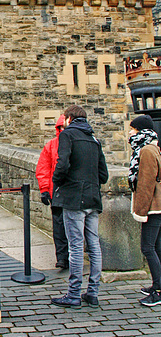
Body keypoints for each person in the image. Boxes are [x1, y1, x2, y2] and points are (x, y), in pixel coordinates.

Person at [51, 105, 109, 309]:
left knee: (75, 245)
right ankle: (93, 292)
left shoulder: (68, 135)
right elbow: (104, 175)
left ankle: (74, 293)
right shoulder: (94, 140)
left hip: (75, 198)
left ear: (69, 119)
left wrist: (58, 182)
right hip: (93, 198)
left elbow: (62, 164)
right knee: (93, 245)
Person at [128, 114, 161, 307]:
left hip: (153, 207)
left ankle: (157, 290)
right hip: (157, 205)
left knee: (147, 247)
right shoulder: (153, 147)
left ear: (140, 131)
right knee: (156, 247)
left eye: (132, 129)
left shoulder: (146, 150)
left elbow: (146, 182)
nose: (130, 132)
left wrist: (141, 210)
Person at [36, 115, 69, 269]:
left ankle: (74, 256)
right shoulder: (51, 146)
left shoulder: (75, 143)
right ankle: (62, 257)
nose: (63, 130)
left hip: (72, 191)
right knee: (59, 226)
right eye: (61, 128)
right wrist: (44, 189)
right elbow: (43, 169)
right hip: (56, 191)